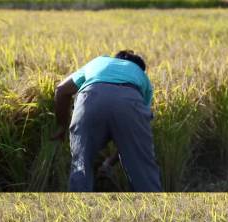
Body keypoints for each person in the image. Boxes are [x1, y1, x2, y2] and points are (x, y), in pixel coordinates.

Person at [51, 50, 162, 192]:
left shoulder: (98, 62)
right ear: (138, 67)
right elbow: (133, 139)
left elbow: (61, 90)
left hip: (90, 100)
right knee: (143, 170)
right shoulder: (141, 76)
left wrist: (61, 126)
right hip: (130, 99)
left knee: (81, 165)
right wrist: (110, 162)